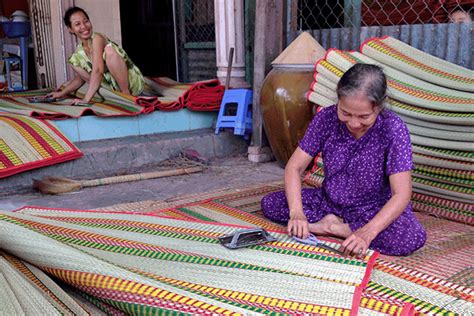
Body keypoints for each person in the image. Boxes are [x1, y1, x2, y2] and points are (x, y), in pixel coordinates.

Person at [261, 63, 426, 257]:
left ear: (379, 106)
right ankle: (329, 224)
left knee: (410, 236)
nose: (354, 124)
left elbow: (401, 194)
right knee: (272, 203)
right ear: (338, 100)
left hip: (372, 208)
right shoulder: (326, 119)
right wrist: (297, 213)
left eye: (364, 116)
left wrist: (368, 232)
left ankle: (338, 229)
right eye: (345, 113)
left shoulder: (393, 128)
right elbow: (294, 168)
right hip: (330, 202)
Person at [48, 7, 145, 105]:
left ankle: (126, 95)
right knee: (74, 62)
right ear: (70, 29)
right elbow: (81, 78)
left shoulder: (97, 38)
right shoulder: (79, 53)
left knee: (109, 51)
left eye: (86, 21)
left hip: (130, 84)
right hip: (111, 88)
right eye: (77, 24)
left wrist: (86, 100)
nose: (84, 26)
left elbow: (98, 70)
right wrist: (61, 93)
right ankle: (110, 95)